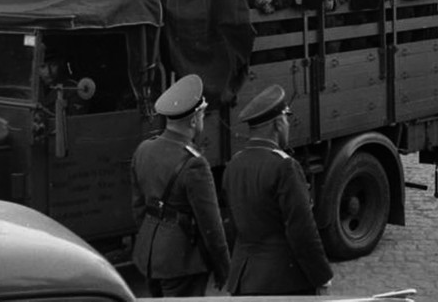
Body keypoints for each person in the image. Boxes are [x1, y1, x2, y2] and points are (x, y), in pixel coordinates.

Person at [223, 85, 333, 296]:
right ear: (279, 123)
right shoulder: (284, 166)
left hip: (244, 278)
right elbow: (302, 230)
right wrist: (322, 276)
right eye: (286, 120)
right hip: (282, 281)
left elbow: (234, 224)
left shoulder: (234, 164)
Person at [131, 74, 230, 298]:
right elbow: (211, 225)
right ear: (194, 120)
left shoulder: (144, 149)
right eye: (202, 114)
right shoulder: (195, 164)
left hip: (149, 255)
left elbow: (138, 209)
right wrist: (224, 268)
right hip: (182, 260)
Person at [38, 48, 89, 115]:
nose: (48, 72)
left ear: (61, 65)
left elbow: (75, 122)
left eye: (53, 65)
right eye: (43, 66)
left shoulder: (74, 90)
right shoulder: (32, 88)